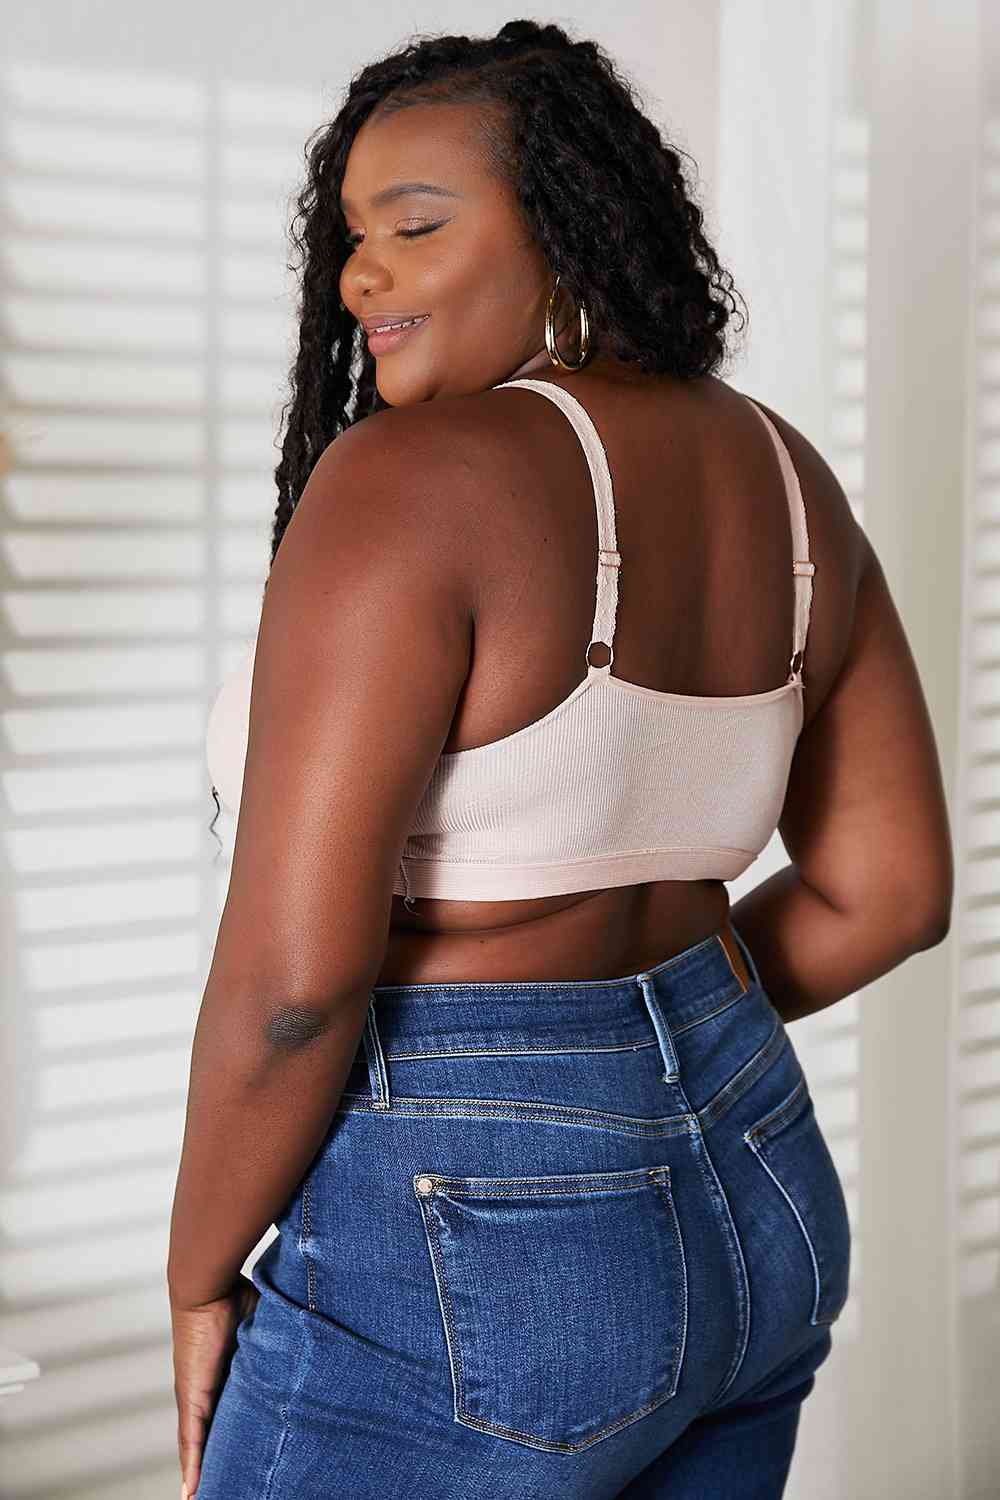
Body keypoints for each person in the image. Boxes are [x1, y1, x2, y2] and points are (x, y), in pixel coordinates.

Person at [168, 18, 953, 1500]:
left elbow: (294, 993)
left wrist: (198, 1270)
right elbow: (891, 892)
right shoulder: (788, 475)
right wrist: (641, 1051)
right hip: (761, 1200)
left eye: (416, 226)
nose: (361, 278)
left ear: (568, 229)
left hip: (480, 1249)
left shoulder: (411, 479)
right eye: (351, 237)